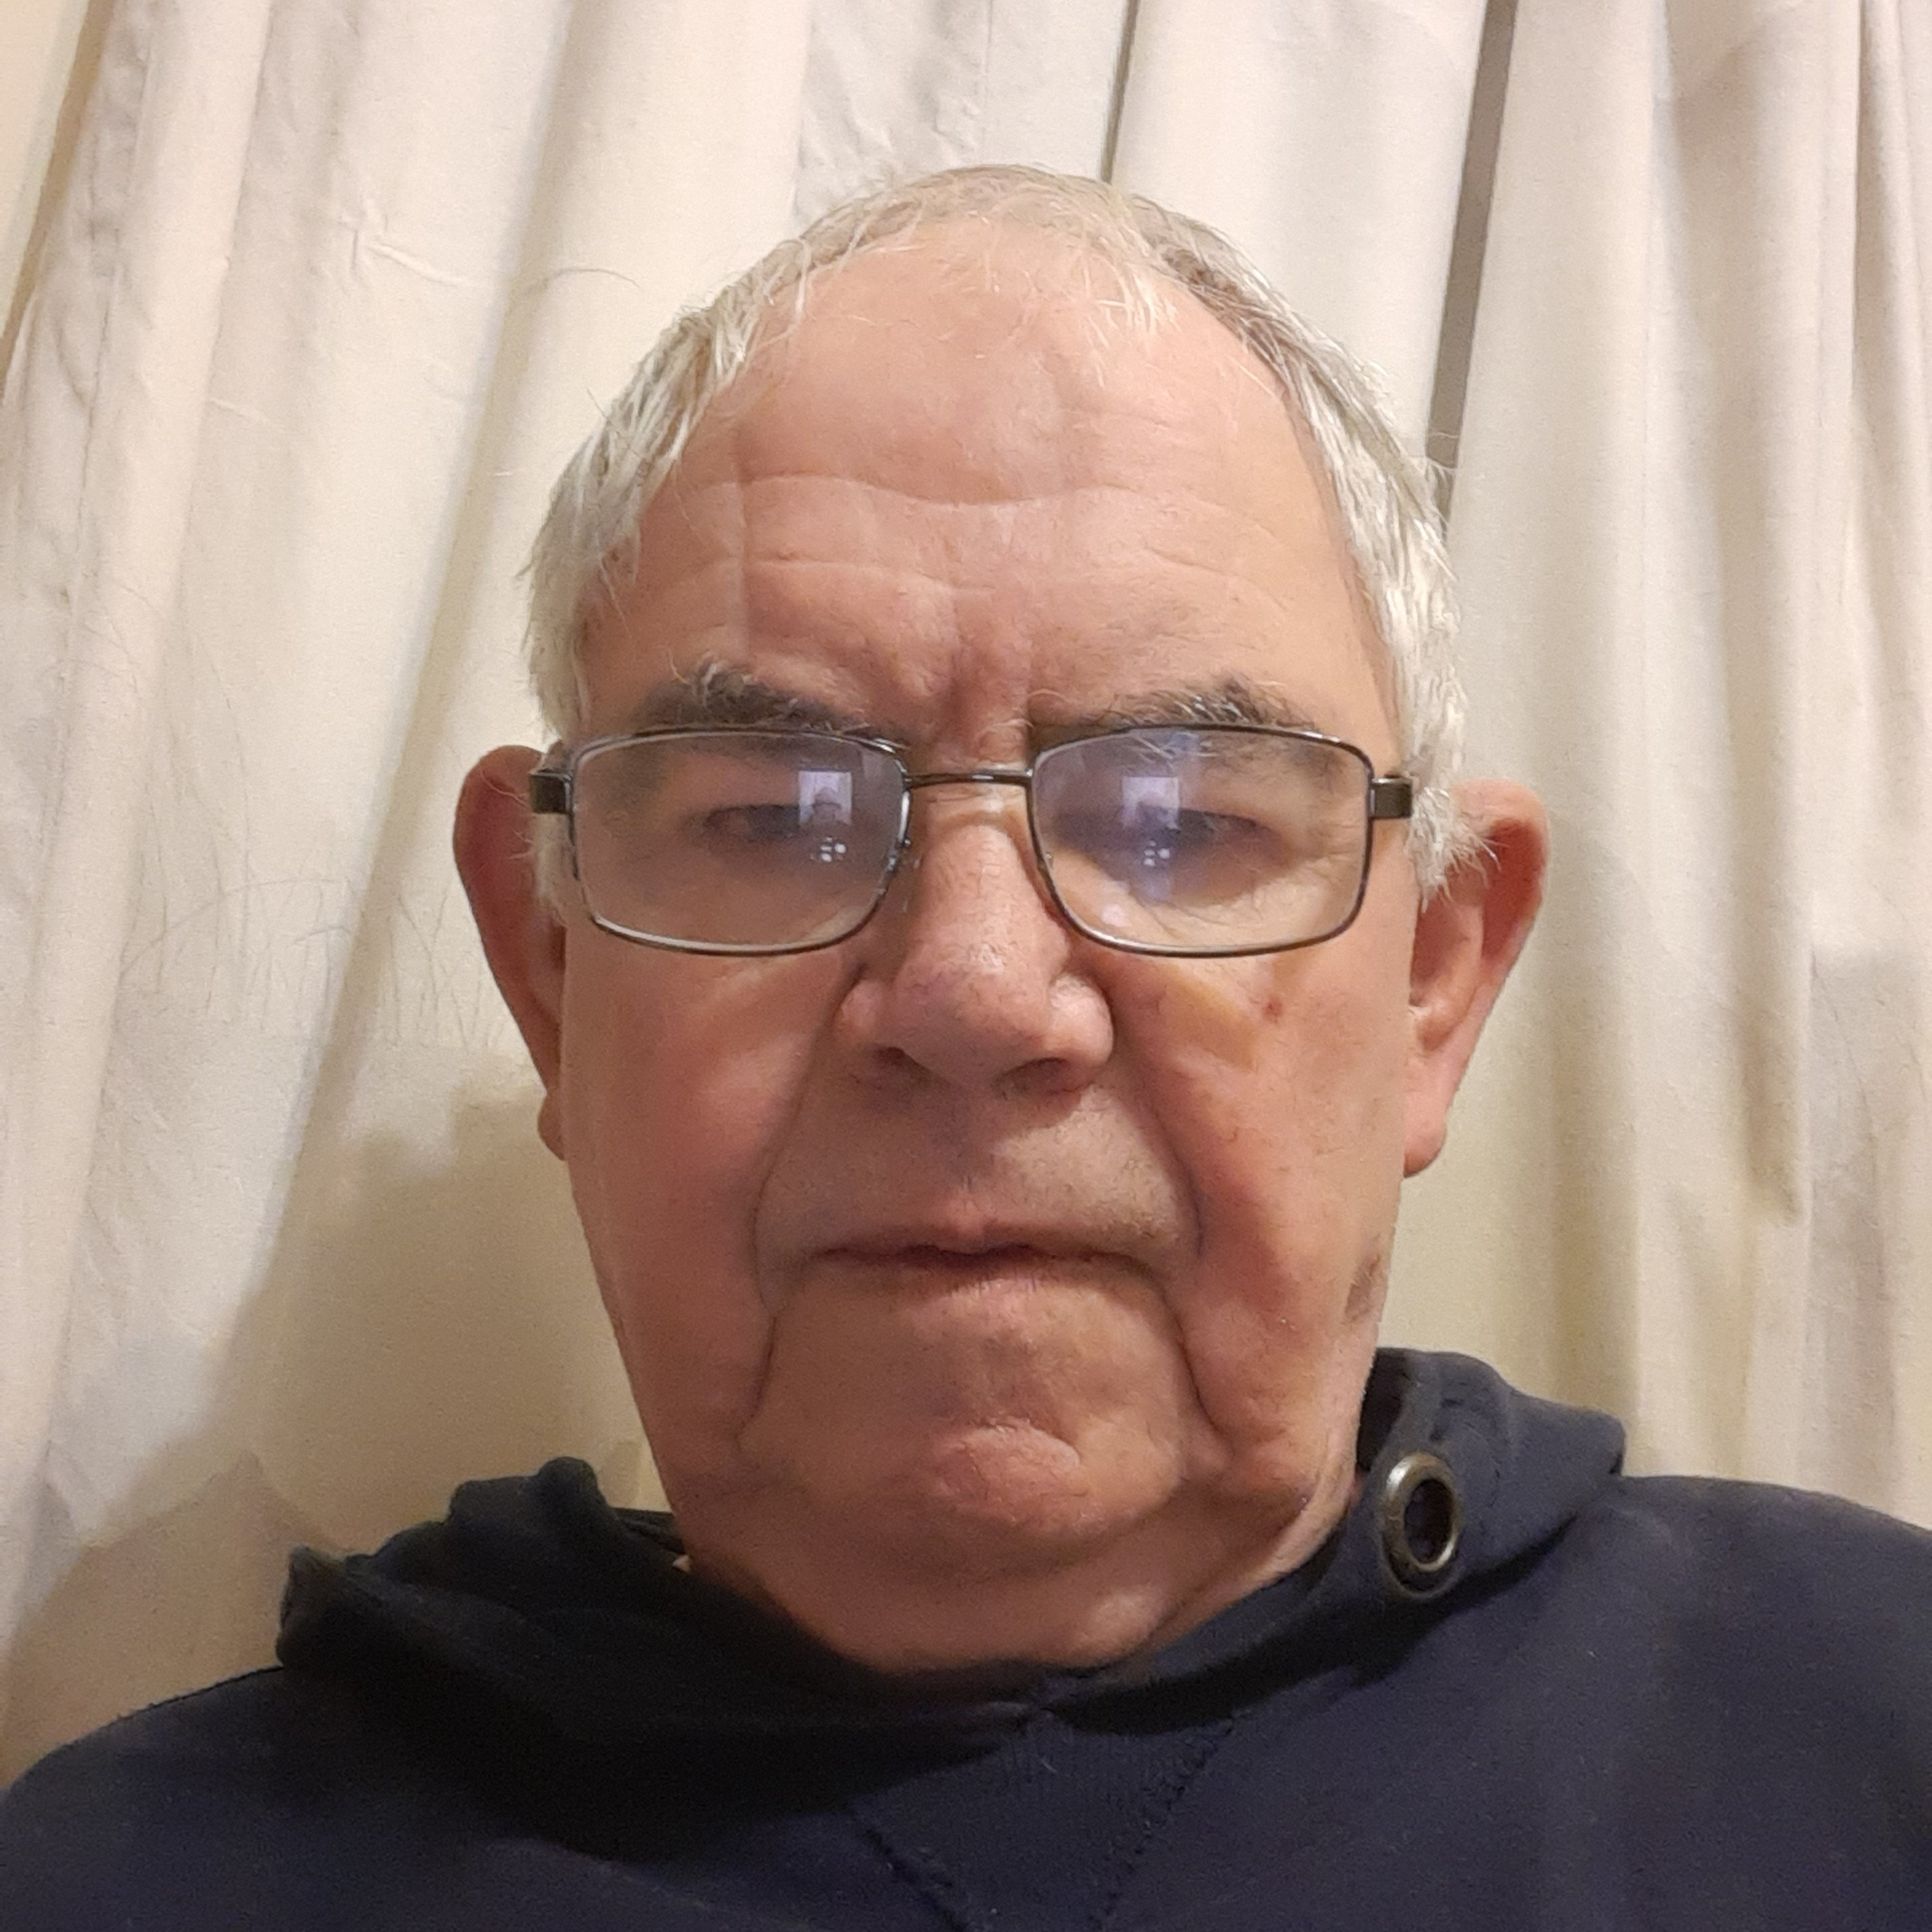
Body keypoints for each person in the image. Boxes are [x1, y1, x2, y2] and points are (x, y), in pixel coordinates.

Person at [2, 166, 1927, 1930]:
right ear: (552, 969)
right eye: (768, 814)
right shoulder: (121, 1884)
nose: (976, 993)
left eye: (1183, 819)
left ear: (1435, 981)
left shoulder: (1871, 1727)